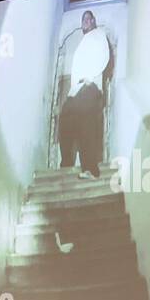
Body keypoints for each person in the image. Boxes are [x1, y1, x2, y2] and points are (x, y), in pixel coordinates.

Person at [57, 10, 112, 179]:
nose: (86, 21)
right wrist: (72, 90)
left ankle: (91, 169)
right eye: (83, 19)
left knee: (87, 128)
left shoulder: (99, 34)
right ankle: (66, 164)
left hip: (89, 87)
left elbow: (105, 56)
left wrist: (89, 78)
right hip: (76, 91)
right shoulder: (84, 42)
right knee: (65, 122)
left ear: (94, 21)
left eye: (89, 18)